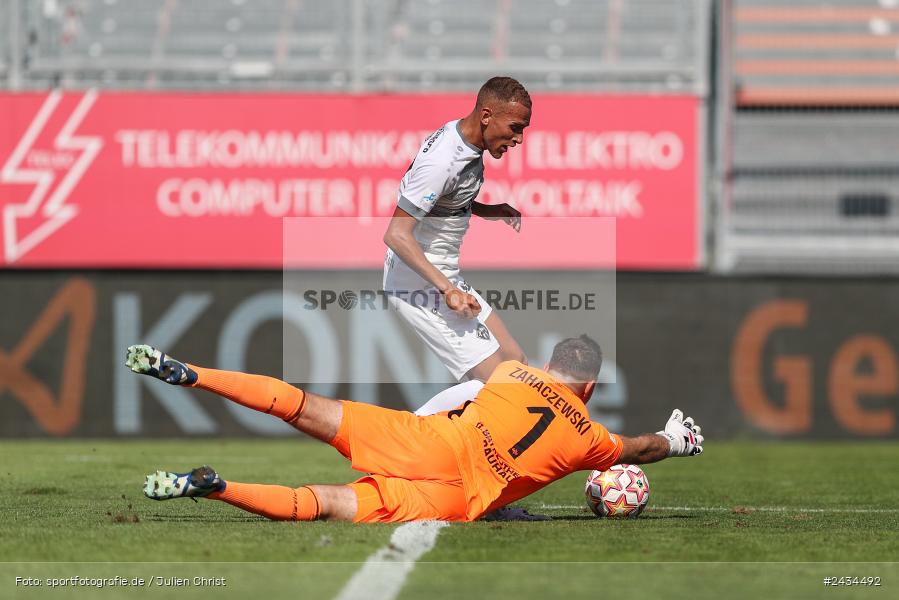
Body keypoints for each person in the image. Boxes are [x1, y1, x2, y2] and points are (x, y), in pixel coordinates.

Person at [127, 335, 703, 523]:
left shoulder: (510, 371)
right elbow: (641, 447)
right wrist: (676, 440)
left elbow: (462, 395)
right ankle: (217, 487)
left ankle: (192, 373)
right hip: (455, 495)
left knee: (301, 406)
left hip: (429, 438)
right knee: (328, 503)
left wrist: (420, 425)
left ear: (549, 365)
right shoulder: (590, 440)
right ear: (592, 387)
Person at [383, 76, 531, 416]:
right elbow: (396, 234)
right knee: (501, 387)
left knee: (516, 364)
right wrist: (447, 290)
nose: (519, 138)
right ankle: (411, 433)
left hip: (444, 276)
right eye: (515, 127)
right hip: (418, 285)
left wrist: (486, 209)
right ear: (487, 116)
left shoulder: (465, 142)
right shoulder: (444, 160)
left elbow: (439, 198)